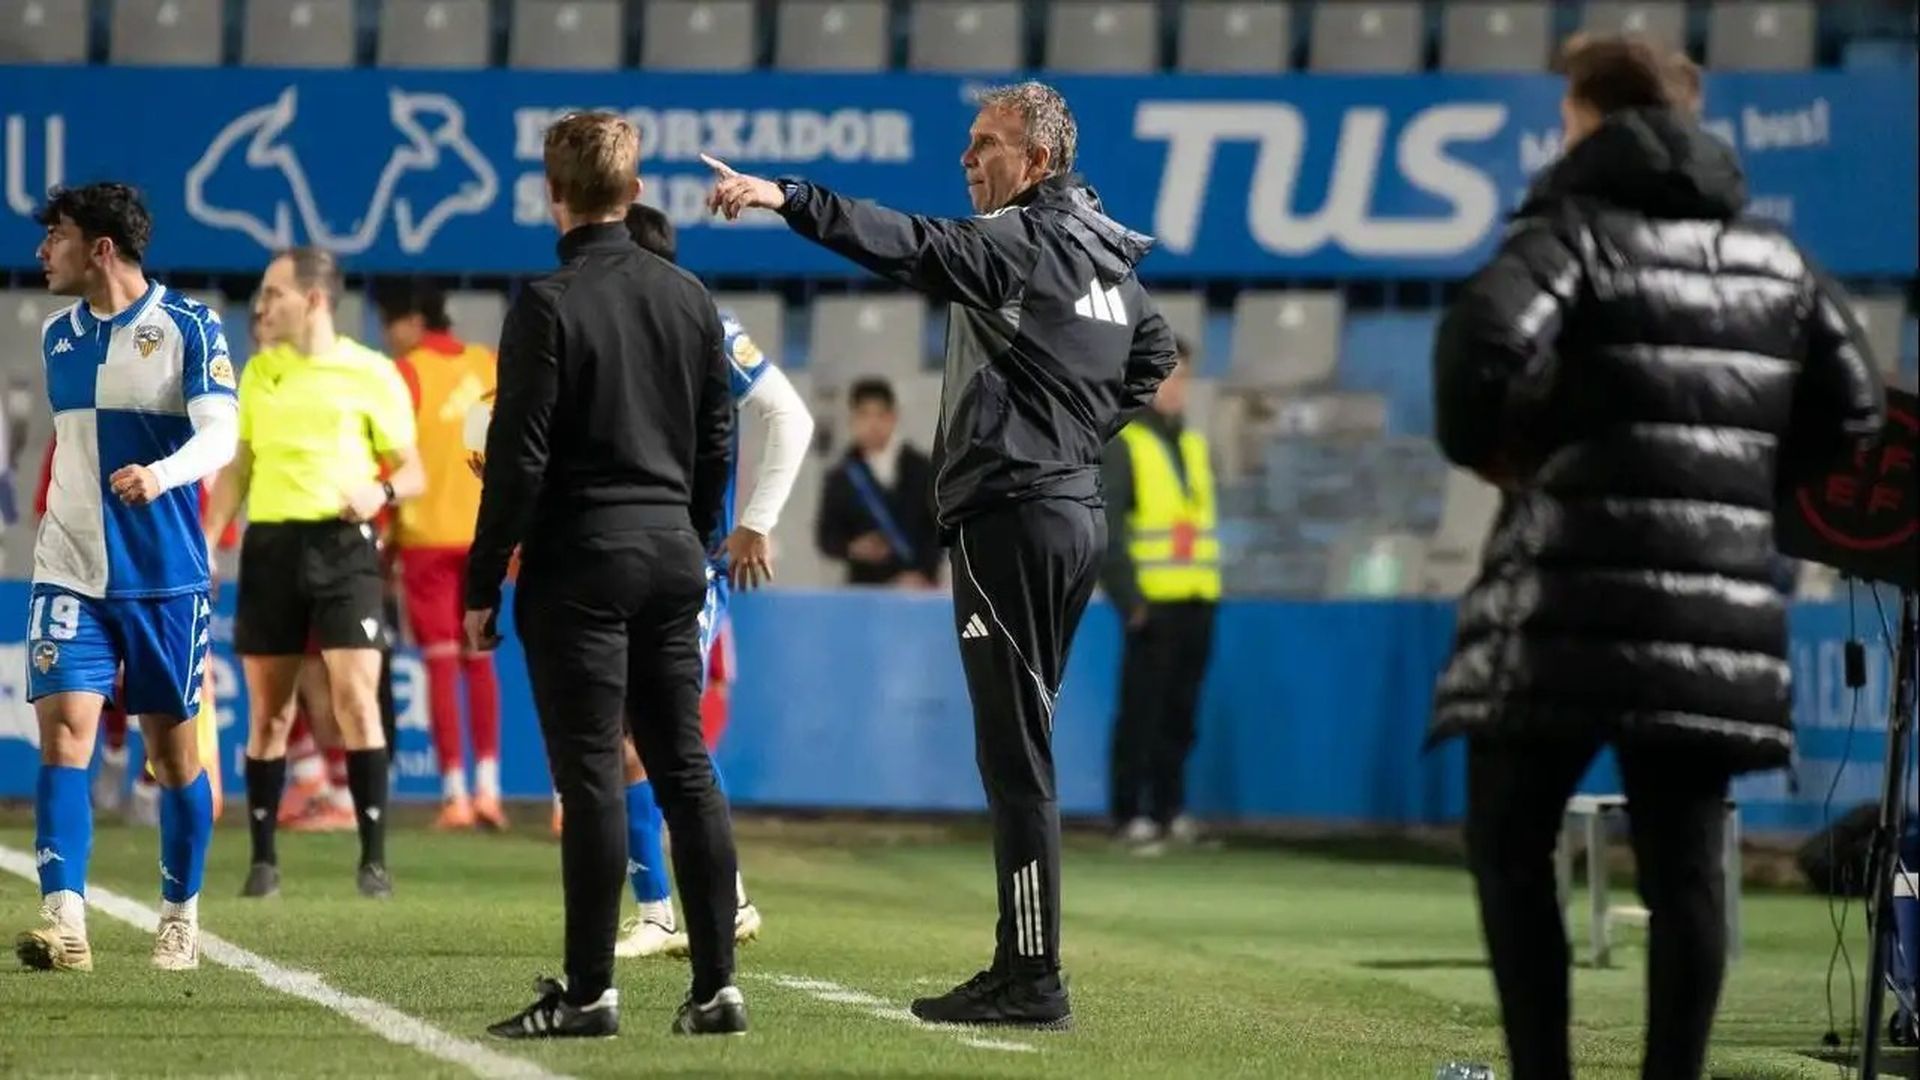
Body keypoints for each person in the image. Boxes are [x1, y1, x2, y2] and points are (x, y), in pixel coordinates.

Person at [1426, 35, 1886, 1080]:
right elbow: (1860, 413)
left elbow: (1479, 347)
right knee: (1688, 869)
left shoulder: (1573, 237)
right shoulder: (1781, 260)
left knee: (1509, 843)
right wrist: (1742, 495)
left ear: (1590, 117)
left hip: (1561, 606)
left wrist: (1504, 453)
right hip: (1710, 619)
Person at [705, 79, 1175, 1028]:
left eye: (987, 143)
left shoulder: (1018, 242)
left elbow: (909, 243)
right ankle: (1018, 965)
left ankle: (1033, 977)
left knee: (1016, 754)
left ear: (1036, 161)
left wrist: (783, 195)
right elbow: (1153, 355)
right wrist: (1077, 433)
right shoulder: (1105, 256)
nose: (969, 158)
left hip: (1014, 515)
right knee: (1018, 745)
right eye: (968, 142)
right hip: (1066, 510)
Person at [467, 111, 745, 1039]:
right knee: (685, 768)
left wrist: (480, 582)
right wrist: (691, 535)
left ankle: (588, 996)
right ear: (635, 193)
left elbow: (519, 460)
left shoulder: (546, 303)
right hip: (672, 556)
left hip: (579, 561)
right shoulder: (690, 298)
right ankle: (716, 990)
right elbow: (717, 439)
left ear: (555, 195)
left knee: (591, 775)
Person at [17, 182, 235, 972]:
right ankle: (63, 917)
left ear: (101, 248)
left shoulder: (188, 327)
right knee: (65, 734)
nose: (44, 251)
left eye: (58, 237)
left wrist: (163, 474)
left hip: (164, 580)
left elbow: (222, 436)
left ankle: (179, 912)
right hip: (69, 570)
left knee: (173, 760)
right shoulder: (57, 337)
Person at [602, 203, 811, 959]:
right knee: (639, 733)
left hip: (684, 560)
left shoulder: (703, 326)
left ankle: (684, 907)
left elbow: (790, 416)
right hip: (620, 554)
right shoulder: (612, 328)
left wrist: (756, 519)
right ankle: (669, 907)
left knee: (658, 732)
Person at [203, 247, 424, 902]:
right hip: (271, 548)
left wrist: (380, 493)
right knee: (269, 713)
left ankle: (374, 861)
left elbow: (413, 471)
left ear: (316, 300)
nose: (262, 307)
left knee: (356, 699)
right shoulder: (258, 373)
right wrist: (206, 544)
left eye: (274, 293)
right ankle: (264, 861)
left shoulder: (372, 373)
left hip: (345, 548)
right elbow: (238, 470)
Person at [374, 280, 505, 831]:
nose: (388, 337)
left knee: (442, 663)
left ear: (409, 321)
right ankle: (490, 790)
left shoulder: (405, 374)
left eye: (389, 325)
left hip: (426, 537)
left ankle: (453, 792)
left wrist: (383, 536)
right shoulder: (488, 365)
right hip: (484, 537)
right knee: (481, 661)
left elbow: (390, 460)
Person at [1099, 338, 1218, 852]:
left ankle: (1170, 809)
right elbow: (1107, 529)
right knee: (1141, 711)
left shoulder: (1192, 444)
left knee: (1180, 714)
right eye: (1166, 376)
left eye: (1183, 376)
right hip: (1152, 602)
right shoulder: (1125, 443)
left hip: (1197, 595)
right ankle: (1130, 813)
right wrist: (1130, 599)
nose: (1175, 388)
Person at [815, 378, 941, 587]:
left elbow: (938, 529)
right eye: (864, 415)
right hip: (865, 590)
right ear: (852, 420)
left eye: (880, 415)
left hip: (918, 589)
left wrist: (924, 574)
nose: (872, 424)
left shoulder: (922, 469)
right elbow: (826, 537)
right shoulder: (841, 476)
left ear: (893, 418)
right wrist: (853, 548)